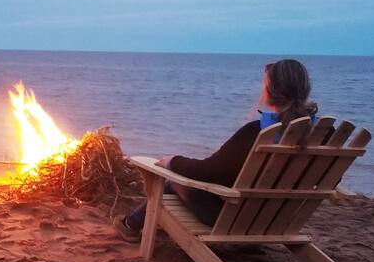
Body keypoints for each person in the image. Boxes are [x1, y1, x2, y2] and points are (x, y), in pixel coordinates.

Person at [114, 59, 319, 241]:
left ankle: (130, 225)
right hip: (281, 219)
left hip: (233, 219)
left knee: (171, 183)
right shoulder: (322, 133)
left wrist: (172, 161)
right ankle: (133, 223)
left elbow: (210, 172)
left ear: (269, 91)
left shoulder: (256, 132)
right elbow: (328, 180)